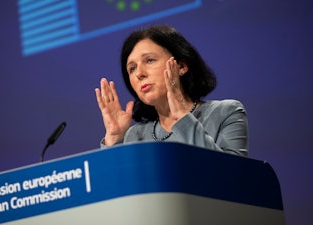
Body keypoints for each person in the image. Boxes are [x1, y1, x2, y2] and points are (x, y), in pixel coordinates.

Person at [95, 25, 248, 156]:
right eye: (132, 68)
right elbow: (117, 187)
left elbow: (232, 177)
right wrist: (114, 139)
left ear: (181, 66)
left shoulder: (226, 112)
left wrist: (182, 116)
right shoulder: (135, 136)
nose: (139, 73)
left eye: (149, 60)